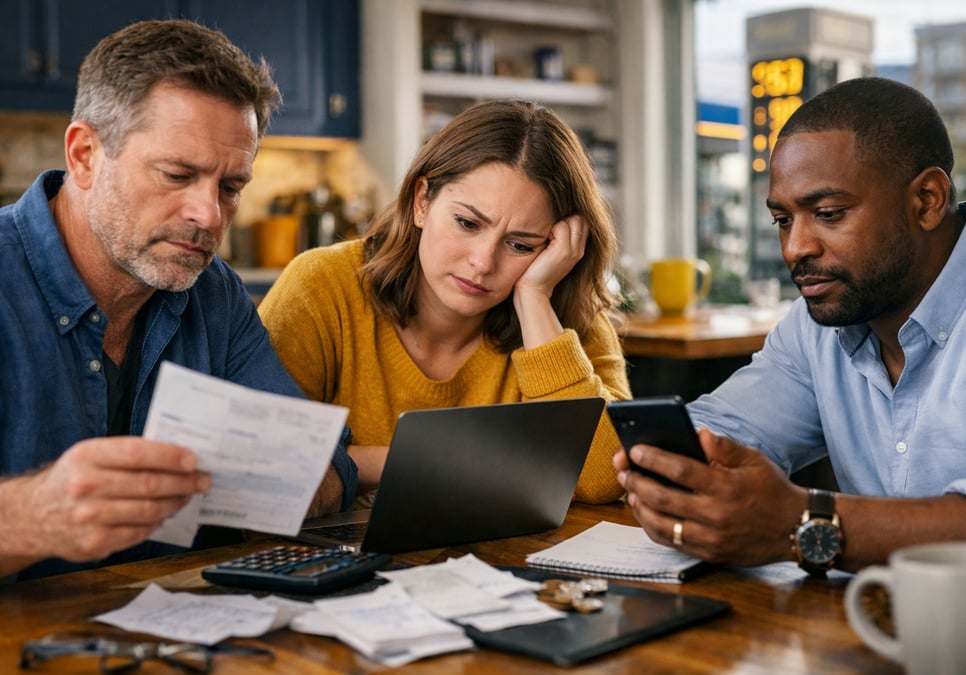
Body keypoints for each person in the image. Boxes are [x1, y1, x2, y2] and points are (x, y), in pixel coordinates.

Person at [0, 19, 356, 582]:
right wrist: (29, 517)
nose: (208, 215)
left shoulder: (214, 292)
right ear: (85, 154)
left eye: (231, 187)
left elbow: (324, 470)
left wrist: (278, 476)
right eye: (177, 174)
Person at [615, 77, 966, 573]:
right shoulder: (816, 325)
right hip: (872, 628)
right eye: (783, 220)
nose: (795, 248)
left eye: (827, 213)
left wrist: (806, 522)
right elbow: (722, 431)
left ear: (927, 200)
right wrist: (671, 473)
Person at [258, 99, 631, 505]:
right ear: (422, 201)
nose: (483, 262)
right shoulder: (321, 287)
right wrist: (443, 461)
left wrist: (535, 298)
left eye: (521, 245)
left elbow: (606, 479)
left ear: (555, 250)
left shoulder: (563, 315)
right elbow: (257, 461)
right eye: (468, 223)